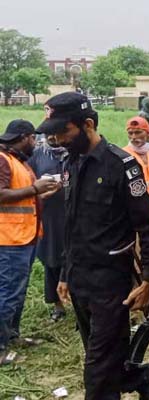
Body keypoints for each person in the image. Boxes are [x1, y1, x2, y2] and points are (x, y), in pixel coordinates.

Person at [37, 92, 149, 399]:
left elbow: (147, 225)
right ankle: (143, 383)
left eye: (63, 131)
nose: (57, 139)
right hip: (80, 279)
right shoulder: (71, 164)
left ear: (87, 124)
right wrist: (65, 274)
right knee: (105, 359)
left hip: (111, 284)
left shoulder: (121, 165)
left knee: (97, 372)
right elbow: (72, 226)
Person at [0, 120, 60, 363]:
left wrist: (40, 195)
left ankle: (12, 335)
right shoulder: (3, 160)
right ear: (24, 137)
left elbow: (20, 199)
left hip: (24, 237)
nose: (35, 143)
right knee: (7, 292)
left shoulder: (18, 161)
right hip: (9, 239)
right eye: (33, 139)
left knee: (17, 291)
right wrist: (35, 190)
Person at [28, 130, 68, 322]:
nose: (53, 137)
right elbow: (28, 184)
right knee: (51, 258)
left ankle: (80, 302)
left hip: (74, 213)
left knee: (77, 257)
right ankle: (57, 305)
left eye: (56, 133)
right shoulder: (37, 154)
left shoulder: (74, 151)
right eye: (49, 134)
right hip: (49, 215)